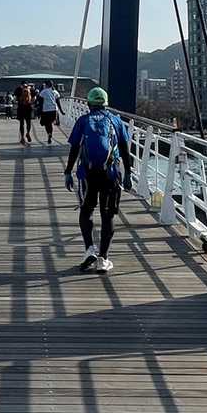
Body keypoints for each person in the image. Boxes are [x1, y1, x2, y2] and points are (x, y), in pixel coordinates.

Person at [63, 85, 133, 274]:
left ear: (88, 104)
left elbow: (74, 148)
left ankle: (89, 250)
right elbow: (125, 149)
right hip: (111, 174)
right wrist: (128, 173)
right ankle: (103, 259)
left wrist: (68, 172)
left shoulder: (83, 120)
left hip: (87, 174)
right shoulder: (116, 120)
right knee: (107, 215)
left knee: (86, 211)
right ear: (106, 104)